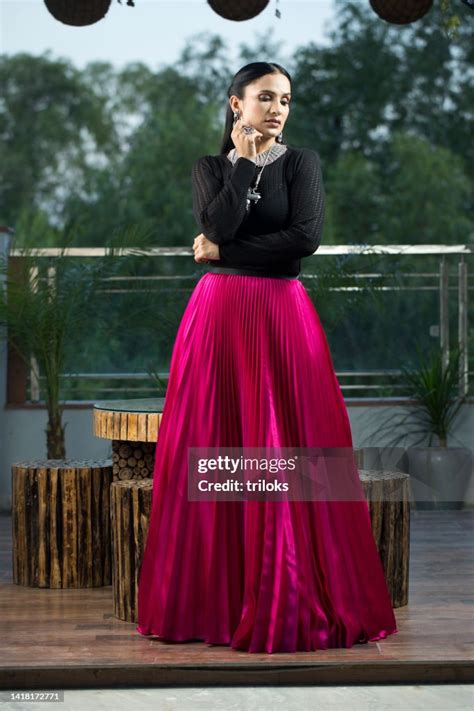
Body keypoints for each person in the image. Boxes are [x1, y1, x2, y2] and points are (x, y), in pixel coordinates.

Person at [136, 62, 398, 654]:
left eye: (285, 99)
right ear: (236, 105)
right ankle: (213, 600)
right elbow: (216, 218)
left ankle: (294, 588)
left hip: (282, 314)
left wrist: (225, 250)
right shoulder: (209, 168)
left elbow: (302, 241)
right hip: (219, 318)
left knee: (295, 446)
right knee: (216, 445)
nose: (277, 109)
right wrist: (246, 166)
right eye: (264, 98)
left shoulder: (302, 163)